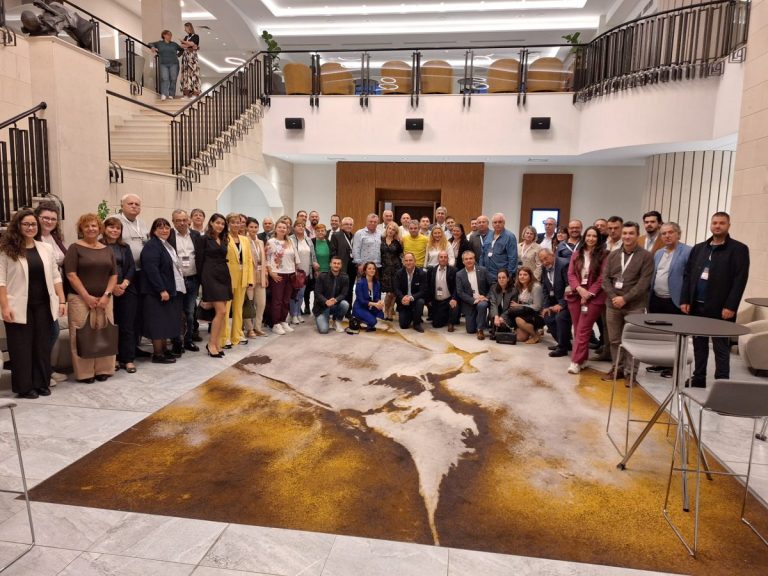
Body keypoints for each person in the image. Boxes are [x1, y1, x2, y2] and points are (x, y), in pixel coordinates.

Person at [0, 209, 65, 398]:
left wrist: (62, 300)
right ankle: (25, 387)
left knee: (42, 346)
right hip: (18, 306)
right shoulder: (6, 250)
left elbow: (55, 276)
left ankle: (41, 382)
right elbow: (1, 281)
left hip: (43, 305)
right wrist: (4, 306)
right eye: (26, 224)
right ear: (18, 226)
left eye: (33, 224)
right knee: (21, 348)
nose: (30, 227)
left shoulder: (45, 248)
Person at [681, 212, 749, 388]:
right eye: (715, 223)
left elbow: (740, 280)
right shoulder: (699, 248)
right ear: (710, 225)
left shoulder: (739, 249)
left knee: (720, 346)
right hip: (697, 306)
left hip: (721, 308)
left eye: (722, 223)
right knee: (699, 344)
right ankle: (699, 377)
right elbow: (688, 275)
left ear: (728, 225)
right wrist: (685, 299)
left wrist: (731, 306)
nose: (717, 226)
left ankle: (722, 381)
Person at [64, 214, 118, 383]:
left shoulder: (107, 250)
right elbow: (71, 275)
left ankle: (104, 369)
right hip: (80, 299)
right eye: (86, 226)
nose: (91, 229)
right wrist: (86, 296)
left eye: (94, 225)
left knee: (105, 331)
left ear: (99, 228)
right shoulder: (74, 248)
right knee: (81, 334)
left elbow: (114, 275)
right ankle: (85, 373)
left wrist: (107, 295)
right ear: (81, 229)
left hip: (105, 299)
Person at [602, 221, 654, 382]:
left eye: (631, 233)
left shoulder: (646, 256)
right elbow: (605, 279)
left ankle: (631, 373)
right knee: (614, 340)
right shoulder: (613, 255)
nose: (627, 236)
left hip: (635, 306)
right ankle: (617, 368)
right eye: (625, 233)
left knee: (632, 340)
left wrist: (625, 298)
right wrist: (614, 297)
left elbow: (644, 283)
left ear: (637, 235)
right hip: (613, 305)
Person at [140, 218, 185, 364]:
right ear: (154, 231)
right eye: (160, 228)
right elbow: (152, 270)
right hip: (156, 292)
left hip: (168, 290)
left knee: (165, 322)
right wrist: (161, 290)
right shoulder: (152, 246)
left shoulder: (165, 245)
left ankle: (164, 350)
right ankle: (158, 354)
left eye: (166, 227)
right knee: (157, 324)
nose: (164, 230)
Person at [566, 226, 608, 374]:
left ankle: (575, 362)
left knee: (583, 329)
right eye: (588, 235)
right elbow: (571, 274)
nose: (591, 239)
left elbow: (602, 277)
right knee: (577, 329)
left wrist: (589, 293)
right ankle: (583, 359)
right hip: (576, 294)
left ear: (598, 239)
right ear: (584, 237)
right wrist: (579, 289)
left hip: (594, 297)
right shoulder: (576, 254)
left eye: (594, 236)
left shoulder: (604, 255)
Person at [34, 201, 68, 385]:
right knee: (48, 332)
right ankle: (41, 371)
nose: (49, 221)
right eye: (45, 218)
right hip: (39, 292)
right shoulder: (32, 238)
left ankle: (46, 369)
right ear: (37, 218)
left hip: (56, 291)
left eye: (53, 219)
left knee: (52, 332)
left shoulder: (56, 238)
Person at [102, 217, 138, 374]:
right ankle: (113, 359)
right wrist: (112, 287)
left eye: (117, 228)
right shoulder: (99, 246)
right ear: (104, 229)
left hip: (126, 290)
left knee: (127, 326)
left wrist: (124, 284)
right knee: (111, 326)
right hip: (106, 291)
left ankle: (128, 359)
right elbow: (99, 270)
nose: (114, 231)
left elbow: (131, 267)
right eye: (111, 227)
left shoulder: (124, 247)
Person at [194, 213, 232, 357]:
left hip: (223, 275)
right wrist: (202, 282)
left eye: (222, 224)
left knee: (221, 313)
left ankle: (216, 343)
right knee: (221, 311)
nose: (220, 226)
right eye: (217, 223)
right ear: (211, 223)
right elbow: (199, 261)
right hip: (210, 276)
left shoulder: (224, 238)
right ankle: (211, 344)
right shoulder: (203, 239)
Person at [117, 193, 149, 358]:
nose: (134, 206)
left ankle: (134, 346)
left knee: (138, 313)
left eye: (137, 204)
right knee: (126, 315)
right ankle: (120, 352)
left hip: (140, 272)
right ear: (122, 205)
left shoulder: (141, 223)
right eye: (130, 203)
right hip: (124, 274)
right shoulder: (115, 221)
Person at [218, 213, 253, 347]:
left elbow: (249, 259)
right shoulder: (223, 238)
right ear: (228, 224)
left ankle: (237, 335)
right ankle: (224, 337)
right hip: (228, 277)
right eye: (232, 222)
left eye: (238, 222)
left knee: (238, 308)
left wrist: (250, 279)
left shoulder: (245, 239)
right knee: (226, 309)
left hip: (242, 277)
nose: (236, 225)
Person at [168, 209, 201, 354]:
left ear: (188, 220)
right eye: (178, 220)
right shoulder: (169, 235)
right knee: (176, 312)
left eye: (184, 220)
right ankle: (176, 342)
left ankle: (188, 340)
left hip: (192, 279)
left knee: (190, 312)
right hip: (175, 281)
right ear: (173, 222)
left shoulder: (195, 235)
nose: (182, 223)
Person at [650, 222, 691, 315]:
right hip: (656, 299)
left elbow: (690, 279)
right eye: (664, 233)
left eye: (670, 232)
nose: (667, 236)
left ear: (678, 234)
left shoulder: (688, 251)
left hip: (675, 301)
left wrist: (686, 300)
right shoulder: (658, 253)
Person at [266, 221, 299, 335]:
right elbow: (266, 258)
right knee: (277, 300)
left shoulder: (290, 241)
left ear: (287, 230)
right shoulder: (271, 242)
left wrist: (295, 271)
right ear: (275, 229)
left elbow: (295, 258)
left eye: (284, 227)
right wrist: (271, 273)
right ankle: (275, 323)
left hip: (290, 274)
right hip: (278, 274)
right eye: (279, 227)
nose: (282, 229)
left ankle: (283, 321)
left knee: (286, 300)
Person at [539, 248, 571, 357]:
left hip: (569, 301)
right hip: (555, 301)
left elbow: (569, 287)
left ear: (552, 255)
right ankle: (564, 343)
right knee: (547, 316)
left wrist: (561, 304)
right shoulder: (544, 268)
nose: (544, 262)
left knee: (560, 317)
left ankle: (562, 348)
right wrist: (546, 306)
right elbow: (545, 289)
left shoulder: (564, 265)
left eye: (546, 258)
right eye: (541, 260)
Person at [502, 266, 544, 344]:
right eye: (520, 275)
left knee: (518, 320)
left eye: (525, 274)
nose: (522, 277)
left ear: (530, 276)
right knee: (520, 338)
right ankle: (532, 330)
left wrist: (520, 306)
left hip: (536, 314)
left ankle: (535, 336)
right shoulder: (518, 286)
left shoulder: (536, 287)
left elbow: (537, 307)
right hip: (523, 313)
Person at [456, 250, 492, 340]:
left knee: (482, 305)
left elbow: (493, 285)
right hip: (470, 302)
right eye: (466, 259)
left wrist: (486, 297)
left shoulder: (483, 270)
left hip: (482, 300)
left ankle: (480, 329)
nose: (469, 261)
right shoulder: (459, 274)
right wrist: (474, 300)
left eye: (471, 258)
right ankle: (480, 319)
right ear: (463, 261)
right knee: (470, 330)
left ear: (474, 259)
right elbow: (460, 292)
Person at [242, 217, 268, 337]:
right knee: (249, 304)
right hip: (249, 277)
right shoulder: (244, 240)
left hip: (260, 276)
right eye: (251, 227)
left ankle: (258, 327)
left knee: (261, 304)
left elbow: (264, 260)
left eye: (256, 227)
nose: (253, 229)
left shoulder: (260, 242)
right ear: (247, 227)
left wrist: (265, 276)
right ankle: (249, 328)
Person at [289, 220, 318, 324]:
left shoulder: (308, 239)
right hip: (295, 272)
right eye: (298, 226)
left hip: (306, 271)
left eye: (302, 226)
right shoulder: (290, 239)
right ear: (294, 227)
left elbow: (313, 255)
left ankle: (298, 313)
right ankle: (293, 315)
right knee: (294, 295)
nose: (301, 227)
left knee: (301, 294)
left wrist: (315, 264)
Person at [313, 256, 350, 334]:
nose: (336, 265)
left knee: (345, 304)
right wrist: (326, 301)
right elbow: (317, 293)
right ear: (330, 264)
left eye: (338, 263)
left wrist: (335, 300)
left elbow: (344, 294)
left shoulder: (345, 277)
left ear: (341, 265)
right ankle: (323, 318)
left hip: (334, 305)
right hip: (322, 307)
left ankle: (337, 321)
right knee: (324, 330)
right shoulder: (322, 276)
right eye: (334, 263)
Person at [394, 253, 427, 332]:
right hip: (404, 301)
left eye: (410, 260)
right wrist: (402, 297)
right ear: (403, 262)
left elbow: (423, 291)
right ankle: (413, 315)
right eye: (406, 261)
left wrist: (411, 298)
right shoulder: (399, 273)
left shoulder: (422, 273)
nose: (408, 262)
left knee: (421, 301)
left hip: (415, 300)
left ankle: (417, 323)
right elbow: (396, 289)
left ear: (415, 261)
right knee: (404, 325)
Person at [427, 250, 459, 331]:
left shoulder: (453, 270)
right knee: (436, 324)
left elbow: (456, 287)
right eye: (441, 257)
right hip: (437, 301)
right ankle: (445, 316)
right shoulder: (432, 270)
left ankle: (451, 322)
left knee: (454, 305)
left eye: (445, 257)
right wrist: (429, 300)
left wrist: (454, 298)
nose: (443, 259)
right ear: (438, 259)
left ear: (448, 259)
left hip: (449, 300)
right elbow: (429, 286)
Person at [149, 30, 183, 100]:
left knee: (173, 79)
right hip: (163, 64)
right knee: (165, 78)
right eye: (168, 35)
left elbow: (181, 49)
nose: (170, 36)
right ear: (164, 35)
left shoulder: (174, 44)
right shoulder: (159, 43)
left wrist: (178, 55)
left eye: (171, 35)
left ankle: (171, 94)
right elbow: (150, 43)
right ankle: (164, 94)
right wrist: (152, 47)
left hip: (174, 64)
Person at [330, 216, 355, 310]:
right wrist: (336, 266)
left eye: (351, 224)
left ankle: (348, 309)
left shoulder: (354, 236)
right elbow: (333, 252)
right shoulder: (336, 235)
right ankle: (338, 309)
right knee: (340, 289)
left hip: (352, 266)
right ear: (341, 225)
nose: (349, 226)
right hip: (341, 266)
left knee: (350, 288)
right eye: (346, 224)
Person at [482, 213, 517, 278]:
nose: (497, 224)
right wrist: (481, 269)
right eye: (495, 222)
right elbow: (483, 254)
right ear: (492, 224)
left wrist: (509, 275)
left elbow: (513, 258)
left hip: (501, 275)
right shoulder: (488, 235)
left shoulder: (510, 237)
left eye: (500, 222)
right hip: (487, 273)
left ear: (504, 223)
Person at [380, 222, 403, 321]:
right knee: (388, 292)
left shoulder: (397, 242)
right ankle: (385, 310)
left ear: (395, 232)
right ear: (387, 229)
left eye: (393, 230)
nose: (391, 231)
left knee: (394, 292)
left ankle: (390, 311)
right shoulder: (381, 240)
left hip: (396, 269)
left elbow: (401, 255)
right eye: (389, 228)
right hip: (385, 269)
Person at [353, 262, 385, 331]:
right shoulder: (360, 283)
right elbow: (362, 301)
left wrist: (380, 302)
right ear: (365, 271)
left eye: (373, 269)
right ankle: (358, 318)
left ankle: (367, 320)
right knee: (373, 321)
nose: (372, 270)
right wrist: (375, 304)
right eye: (369, 268)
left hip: (370, 307)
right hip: (360, 307)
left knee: (381, 315)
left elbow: (377, 298)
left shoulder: (377, 283)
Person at [488, 269, 517, 339]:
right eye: (499, 278)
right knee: (492, 316)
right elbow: (493, 303)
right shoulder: (493, 288)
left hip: (508, 314)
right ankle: (495, 330)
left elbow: (511, 308)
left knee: (503, 326)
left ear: (508, 279)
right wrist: (496, 316)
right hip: (496, 312)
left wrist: (502, 317)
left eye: (503, 277)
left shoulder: (514, 290)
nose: (501, 280)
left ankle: (499, 330)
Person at [179, 22, 200, 98]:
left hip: (192, 57)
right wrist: (189, 44)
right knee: (186, 74)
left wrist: (185, 42)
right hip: (185, 57)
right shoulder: (186, 37)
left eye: (185, 28)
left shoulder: (196, 36)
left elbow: (192, 44)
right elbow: (182, 46)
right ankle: (186, 94)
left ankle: (195, 93)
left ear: (189, 27)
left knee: (193, 73)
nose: (185, 29)